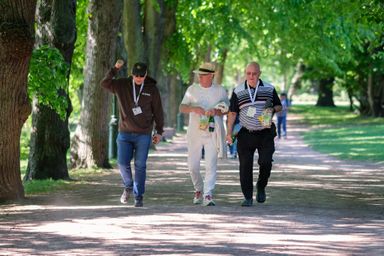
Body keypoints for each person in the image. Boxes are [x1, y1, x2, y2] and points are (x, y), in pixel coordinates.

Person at [101, 60, 164, 207]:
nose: (139, 78)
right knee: (122, 163)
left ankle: (138, 195)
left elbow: (158, 112)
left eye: (141, 76)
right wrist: (115, 69)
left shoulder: (151, 89)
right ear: (132, 74)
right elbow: (104, 83)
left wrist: (159, 131)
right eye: (136, 76)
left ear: (146, 75)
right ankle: (128, 186)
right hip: (125, 133)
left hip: (144, 134)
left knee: (140, 164)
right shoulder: (122, 85)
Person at [226, 61, 282, 207]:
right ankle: (248, 197)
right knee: (245, 165)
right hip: (246, 133)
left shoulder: (269, 88)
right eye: (248, 73)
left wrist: (272, 109)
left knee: (266, 162)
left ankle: (261, 186)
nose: (251, 76)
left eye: (254, 73)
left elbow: (279, 105)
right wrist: (229, 132)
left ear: (259, 74)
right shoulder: (238, 90)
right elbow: (232, 113)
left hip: (265, 133)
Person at [179, 62, 229, 206]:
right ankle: (198, 189)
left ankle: (208, 194)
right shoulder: (192, 89)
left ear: (211, 76)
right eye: (199, 75)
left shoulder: (220, 90)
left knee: (210, 164)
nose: (200, 77)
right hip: (195, 132)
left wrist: (216, 111)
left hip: (213, 131)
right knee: (192, 166)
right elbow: (182, 107)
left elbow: (226, 109)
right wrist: (195, 109)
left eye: (203, 75)